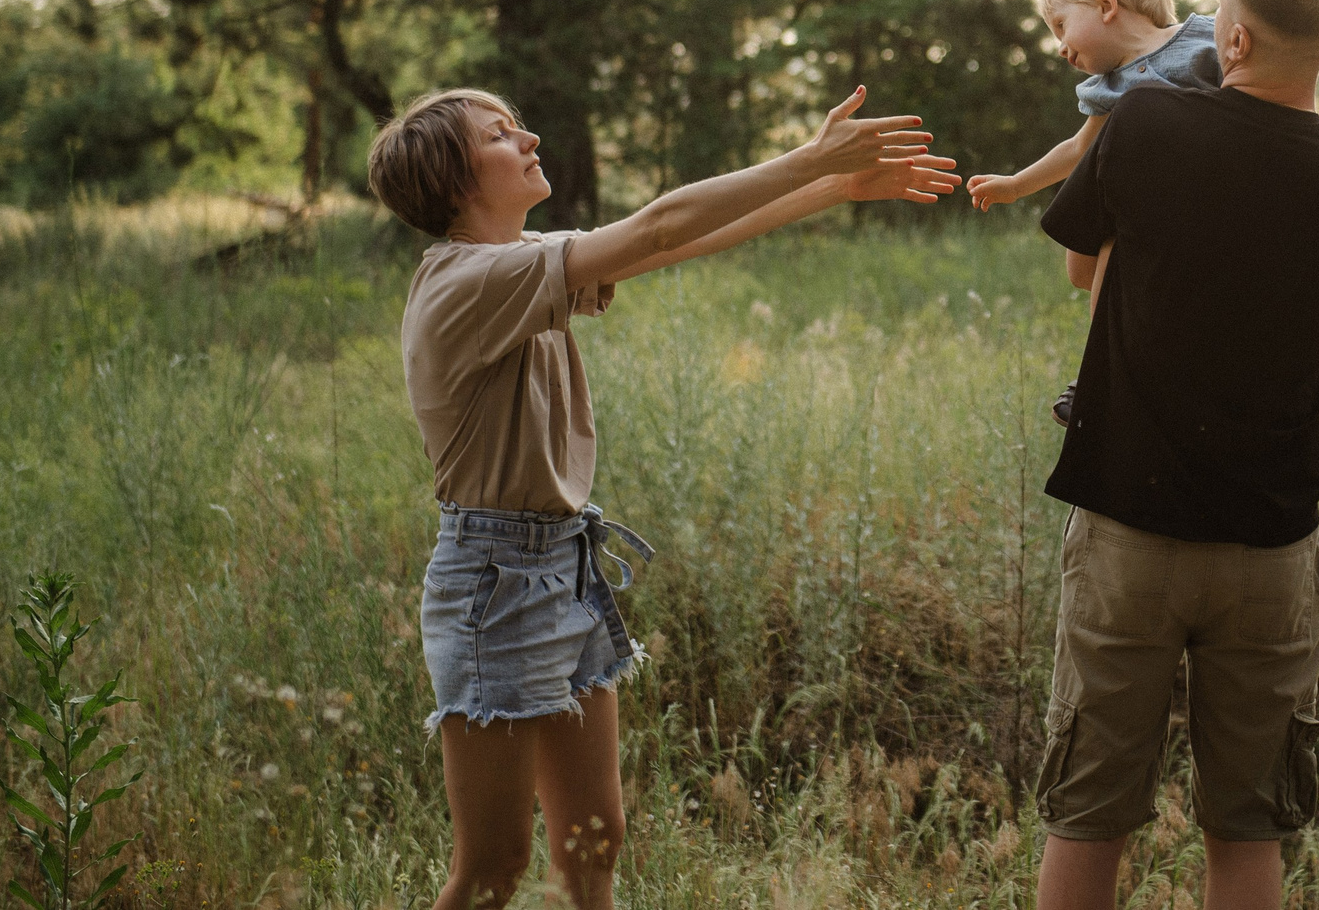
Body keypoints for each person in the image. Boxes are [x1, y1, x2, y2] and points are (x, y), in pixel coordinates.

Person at [365, 85, 954, 910]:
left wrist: (830, 189)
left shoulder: (519, 259)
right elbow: (656, 224)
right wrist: (809, 158)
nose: (530, 136)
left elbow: (663, 246)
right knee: (493, 869)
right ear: (455, 179)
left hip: (560, 566)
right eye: (501, 134)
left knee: (596, 839)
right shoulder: (467, 281)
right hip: (491, 582)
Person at [1030, 0, 1319, 910]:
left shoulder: (1148, 125)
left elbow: (1079, 263)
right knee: (1247, 831)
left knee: (1090, 816)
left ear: (1230, 37)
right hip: (1272, 548)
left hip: (1126, 533)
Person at [964, 0, 1220, 214]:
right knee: (1082, 223)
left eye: (1062, 26)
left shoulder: (1205, 35)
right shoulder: (1108, 90)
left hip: (1224, 179)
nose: (1061, 48)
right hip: (1167, 204)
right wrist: (1016, 185)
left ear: (1106, 5)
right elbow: (1077, 149)